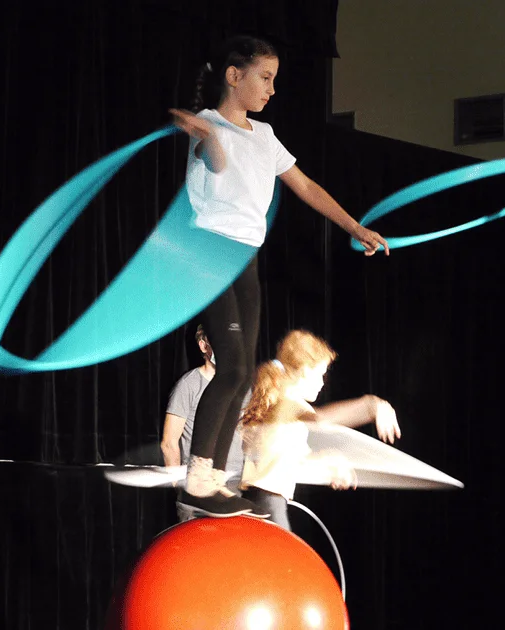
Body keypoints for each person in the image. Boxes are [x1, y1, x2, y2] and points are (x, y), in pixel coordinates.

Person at [168, 35, 389, 517]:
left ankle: (210, 478)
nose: (271, 89)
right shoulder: (206, 126)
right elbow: (218, 164)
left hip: (246, 257)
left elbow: (306, 186)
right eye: (264, 78)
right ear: (234, 75)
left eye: (274, 80)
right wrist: (207, 140)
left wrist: (354, 226)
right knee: (231, 367)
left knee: (244, 371)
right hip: (212, 251)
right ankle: (198, 475)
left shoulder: (264, 137)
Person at [238, 330, 401, 530]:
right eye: (321, 374)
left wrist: (329, 463)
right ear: (305, 370)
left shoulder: (283, 411)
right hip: (268, 506)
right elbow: (322, 419)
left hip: (263, 503)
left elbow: (287, 461)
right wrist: (371, 405)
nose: (323, 383)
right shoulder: (287, 403)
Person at [160, 325, 246, 523]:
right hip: (198, 497)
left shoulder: (242, 387)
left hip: (234, 491)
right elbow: (169, 443)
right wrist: (180, 489)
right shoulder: (188, 385)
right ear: (203, 345)